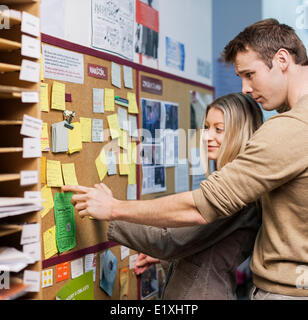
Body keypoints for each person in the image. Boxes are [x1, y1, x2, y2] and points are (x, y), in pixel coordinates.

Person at [63, 19, 308, 299]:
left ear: (282, 59)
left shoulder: (292, 127)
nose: (245, 88)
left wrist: (114, 209)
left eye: (250, 74)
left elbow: (200, 209)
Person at [107, 93, 263, 300]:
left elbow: (167, 241)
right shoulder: (234, 183)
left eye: (218, 129)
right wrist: (167, 260)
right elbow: (208, 247)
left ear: (241, 134)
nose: (207, 136)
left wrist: (110, 213)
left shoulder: (237, 190)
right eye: (206, 127)